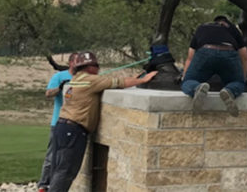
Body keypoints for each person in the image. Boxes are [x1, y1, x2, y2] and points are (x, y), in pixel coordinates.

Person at [48, 51, 157, 192]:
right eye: (96, 65)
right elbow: (119, 82)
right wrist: (143, 80)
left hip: (62, 127)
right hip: (74, 131)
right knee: (66, 171)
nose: (98, 69)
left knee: (58, 168)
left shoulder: (75, 80)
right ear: (89, 67)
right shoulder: (90, 80)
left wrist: (133, 79)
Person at [180, 15, 247, 117]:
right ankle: (230, 91)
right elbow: (244, 56)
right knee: (237, 82)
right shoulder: (232, 28)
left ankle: (196, 88)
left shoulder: (202, 27)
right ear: (226, 22)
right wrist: (243, 78)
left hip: (205, 51)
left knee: (188, 81)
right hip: (228, 52)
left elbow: (190, 57)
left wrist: (185, 77)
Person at [37, 53, 77, 192]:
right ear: (71, 62)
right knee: (52, 155)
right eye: (77, 61)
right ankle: (43, 184)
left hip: (76, 123)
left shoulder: (82, 78)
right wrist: (59, 88)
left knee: (67, 158)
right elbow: (48, 94)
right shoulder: (60, 76)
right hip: (58, 122)